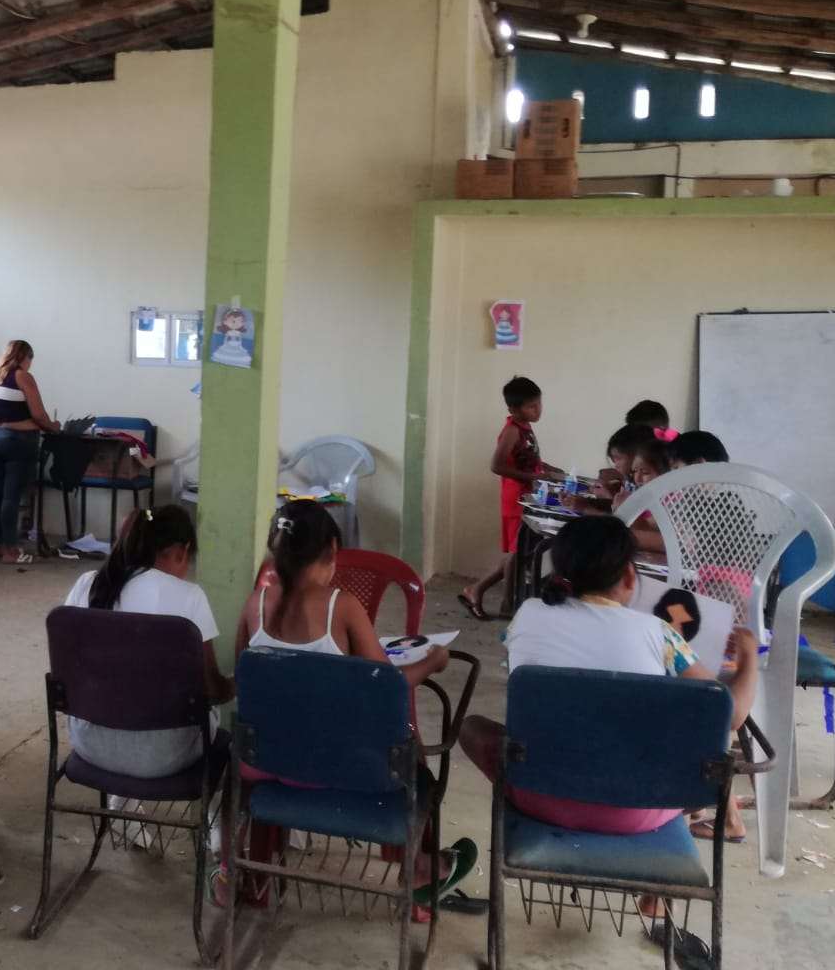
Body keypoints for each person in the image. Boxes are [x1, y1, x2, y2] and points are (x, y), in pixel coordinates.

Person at [459, 514, 758, 851]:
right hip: (639, 809)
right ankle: (671, 863)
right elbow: (731, 716)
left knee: (473, 726)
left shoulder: (526, 615)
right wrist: (749, 656)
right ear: (630, 575)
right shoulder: (658, 633)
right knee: (686, 735)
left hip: (539, 797)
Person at [224, 499, 469, 907]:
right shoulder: (343, 608)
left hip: (266, 764)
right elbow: (387, 686)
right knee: (420, 772)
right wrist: (432, 662)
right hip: (341, 769)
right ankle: (419, 866)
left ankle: (229, 870)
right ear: (333, 551)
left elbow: (243, 681)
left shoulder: (255, 606)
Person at [62, 505, 234, 778]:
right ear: (182, 551)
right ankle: (207, 814)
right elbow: (213, 690)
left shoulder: (87, 584)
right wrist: (239, 681)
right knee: (212, 716)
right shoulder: (189, 596)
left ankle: (122, 800)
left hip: (89, 741)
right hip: (164, 754)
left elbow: (67, 673)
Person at [459, 376, 563, 620]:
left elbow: (524, 459)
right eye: (531, 406)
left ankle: (495, 596)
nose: (538, 410)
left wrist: (547, 470)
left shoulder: (525, 427)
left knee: (518, 552)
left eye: (539, 403)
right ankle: (494, 596)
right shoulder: (512, 430)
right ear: (513, 410)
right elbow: (497, 465)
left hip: (527, 496)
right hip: (516, 498)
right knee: (517, 553)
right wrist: (532, 476)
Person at [0, 340, 59, 566]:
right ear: (26, 356)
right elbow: (39, 414)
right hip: (19, 442)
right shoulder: (23, 376)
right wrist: (53, 426)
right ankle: (11, 550)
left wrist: (12, 424)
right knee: (11, 496)